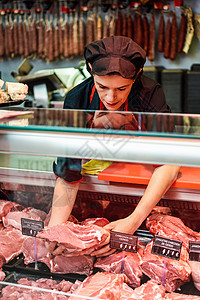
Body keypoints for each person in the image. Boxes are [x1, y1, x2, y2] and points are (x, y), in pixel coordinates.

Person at [47, 36, 180, 257]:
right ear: (90, 69)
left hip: (147, 187)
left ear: (137, 75)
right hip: (101, 189)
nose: (111, 97)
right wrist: (55, 231)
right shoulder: (77, 99)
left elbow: (169, 161)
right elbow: (69, 171)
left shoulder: (150, 93)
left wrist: (131, 223)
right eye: (102, 87)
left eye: (121, 88)